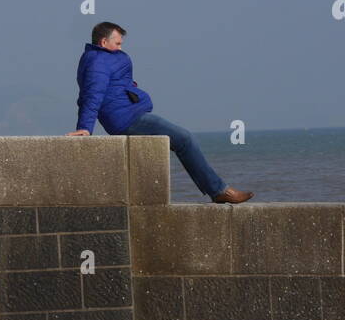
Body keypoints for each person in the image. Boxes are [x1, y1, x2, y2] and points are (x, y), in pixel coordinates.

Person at [67, 21, 254, 204]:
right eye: (118, 43)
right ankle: (219, 191)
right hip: (126, 118)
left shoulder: (102, 58)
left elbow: (114, 85)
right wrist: (85, 127)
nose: (121, 46)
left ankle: (215, 190)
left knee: (177, 140)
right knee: (184, 139)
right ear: (103, 42)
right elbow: (92, 94)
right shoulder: (98, 61)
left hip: (128, 113)